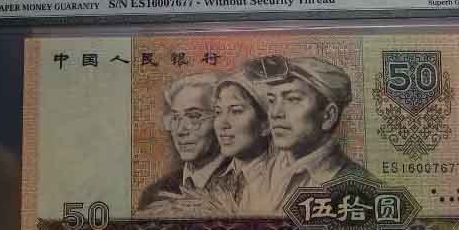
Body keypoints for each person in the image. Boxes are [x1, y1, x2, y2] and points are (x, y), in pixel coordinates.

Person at [243, 54, 373, 214]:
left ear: (328, 116)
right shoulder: (257, 175)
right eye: (271, 100)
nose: (275, 113)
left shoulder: (361, 190)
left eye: (292, 99)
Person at [138, 73, 230, 210]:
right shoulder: (155, 194)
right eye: (175, 118)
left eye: (194, 116)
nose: (180, 131)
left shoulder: (243, 183)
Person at [212, 73, 272, 215]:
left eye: (236, 111)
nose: (222, 124)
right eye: (218, 112)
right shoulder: (213, 182)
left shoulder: (280, 181)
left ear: (265, 124)